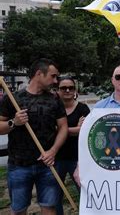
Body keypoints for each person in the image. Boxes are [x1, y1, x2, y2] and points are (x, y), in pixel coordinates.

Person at [0, 58, 68, 215]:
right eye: (53, 76)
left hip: (47, 164)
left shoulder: (54, 99)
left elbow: (63, 127)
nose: (56, 80)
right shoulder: (13, 98)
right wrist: (14, 122)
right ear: (39, 74)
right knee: (18, 209)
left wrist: (53, 151)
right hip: (19, 165)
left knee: (49, 207)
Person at [55, 77, 90, 215]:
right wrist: (74, 129)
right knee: (55, 195)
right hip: (57, 157)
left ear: (75, 90)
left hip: (78, 159)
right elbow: (50, 132)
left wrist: (61, 130)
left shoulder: (83, 108)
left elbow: (86, 131)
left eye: (71, 87)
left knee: (84, 193)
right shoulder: (53, 109)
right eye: (63, 88)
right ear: (58, 91)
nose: (68, 90)